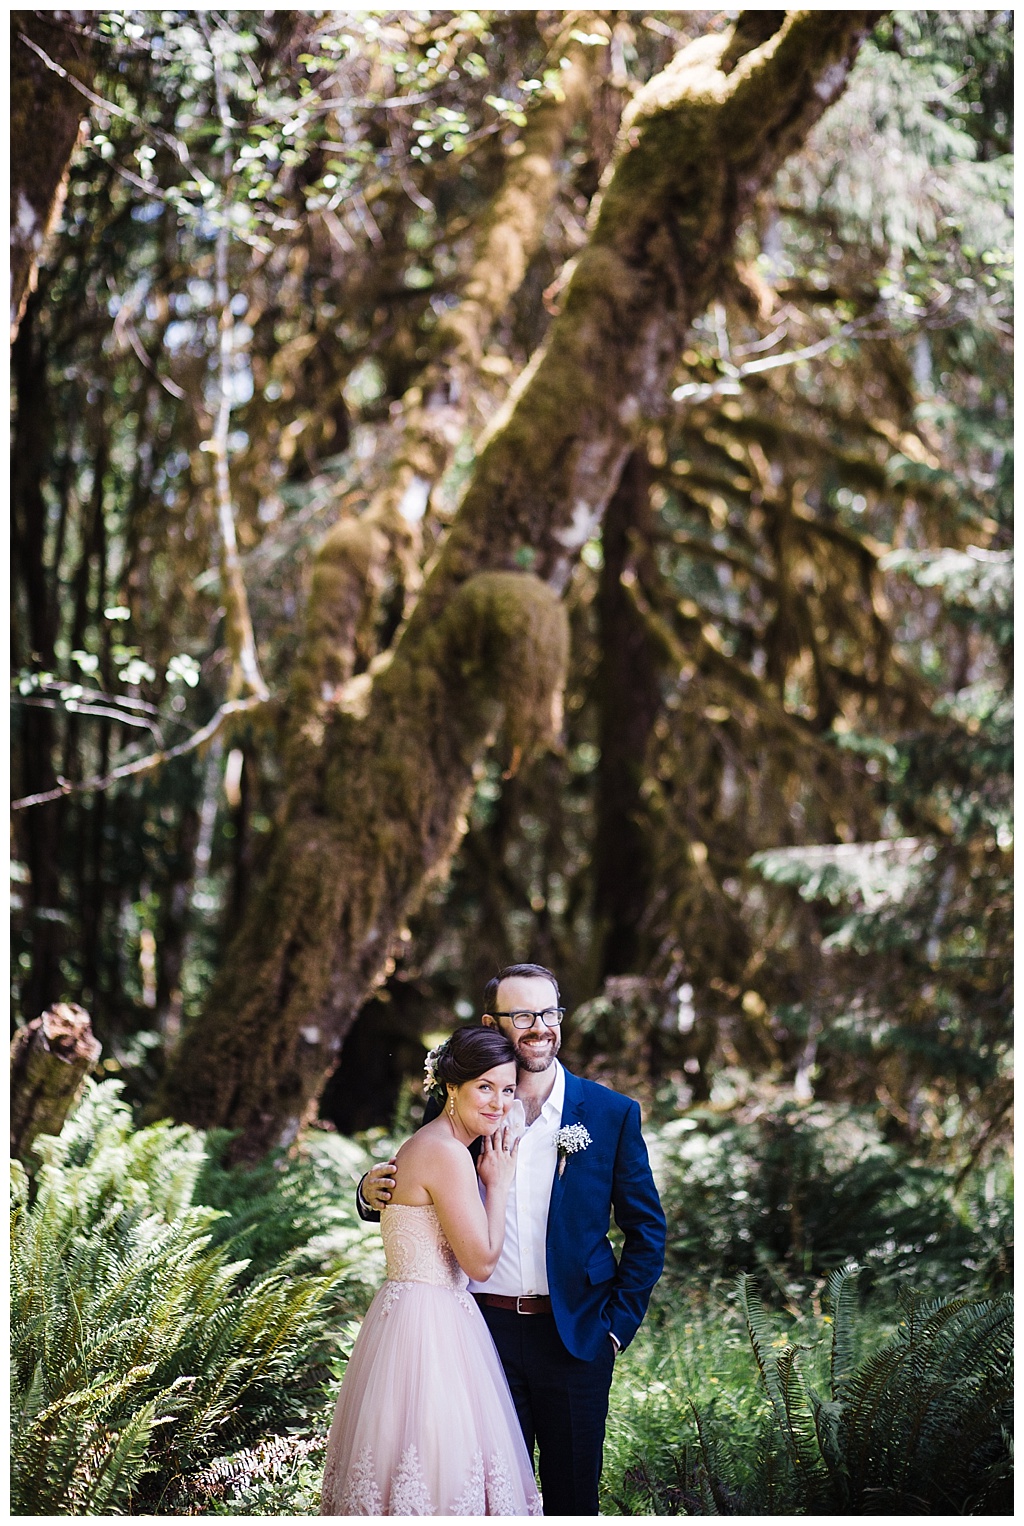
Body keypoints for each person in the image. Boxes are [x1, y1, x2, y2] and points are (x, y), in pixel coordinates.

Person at [357, 963, 666, 1515]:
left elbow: (647, 1231)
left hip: (576, 1335)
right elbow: (415, 1184)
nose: (539, 1027)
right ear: (492, 1024)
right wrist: (367, 1191)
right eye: (522, 1015)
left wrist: (615, 1329)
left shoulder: (610, 1114)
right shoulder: (459, 1105)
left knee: (574, 1501)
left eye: (549, 1013)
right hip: (479, 1334)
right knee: (489, 1503)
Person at [320, 1025, 542, 1516]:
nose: (499, 1103)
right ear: (450, 1087)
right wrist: (499, 1182)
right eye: (484, 1087)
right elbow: (481, 1262)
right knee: (438, 1461)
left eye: (507, 1090)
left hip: (413, 1314)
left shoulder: (434, 1143)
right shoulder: (445, 1152)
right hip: (430, 1328)